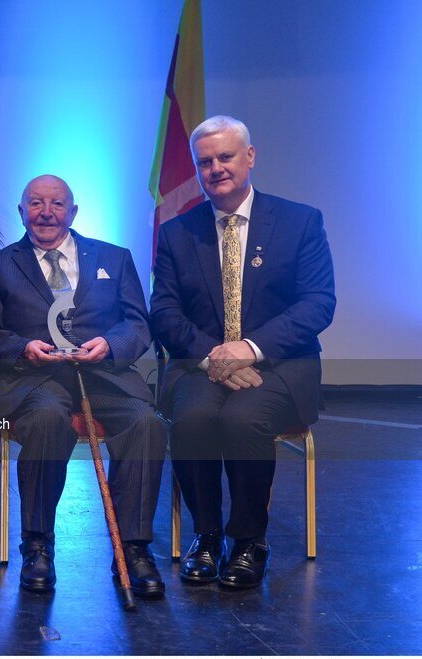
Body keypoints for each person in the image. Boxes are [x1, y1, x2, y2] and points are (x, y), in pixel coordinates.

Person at [150, 115, 336, 589]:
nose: (215, 169)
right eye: (204, 162)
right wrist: (217, 356)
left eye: (225, 157)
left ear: (249, 157)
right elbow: (165, 312)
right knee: (191, 420)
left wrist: (249, 349)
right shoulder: (177, 232)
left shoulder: (300, 222)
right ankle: (207, 536)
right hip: (201, 364)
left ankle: (250, 541)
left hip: (279, 365)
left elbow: (318, 304)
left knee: (243, 420)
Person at [0, 174, 167, 595]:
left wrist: (111, 343)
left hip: (104, 375)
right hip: (36, 379)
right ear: (21, 211)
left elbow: (138, 323)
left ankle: (134, 549)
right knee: (47, 419)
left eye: (57, 204)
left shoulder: (114, 258)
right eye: (36, 203)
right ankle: (38, 543)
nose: (46, 212)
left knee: (147, 424)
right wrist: (23, 346)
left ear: (74, 211)